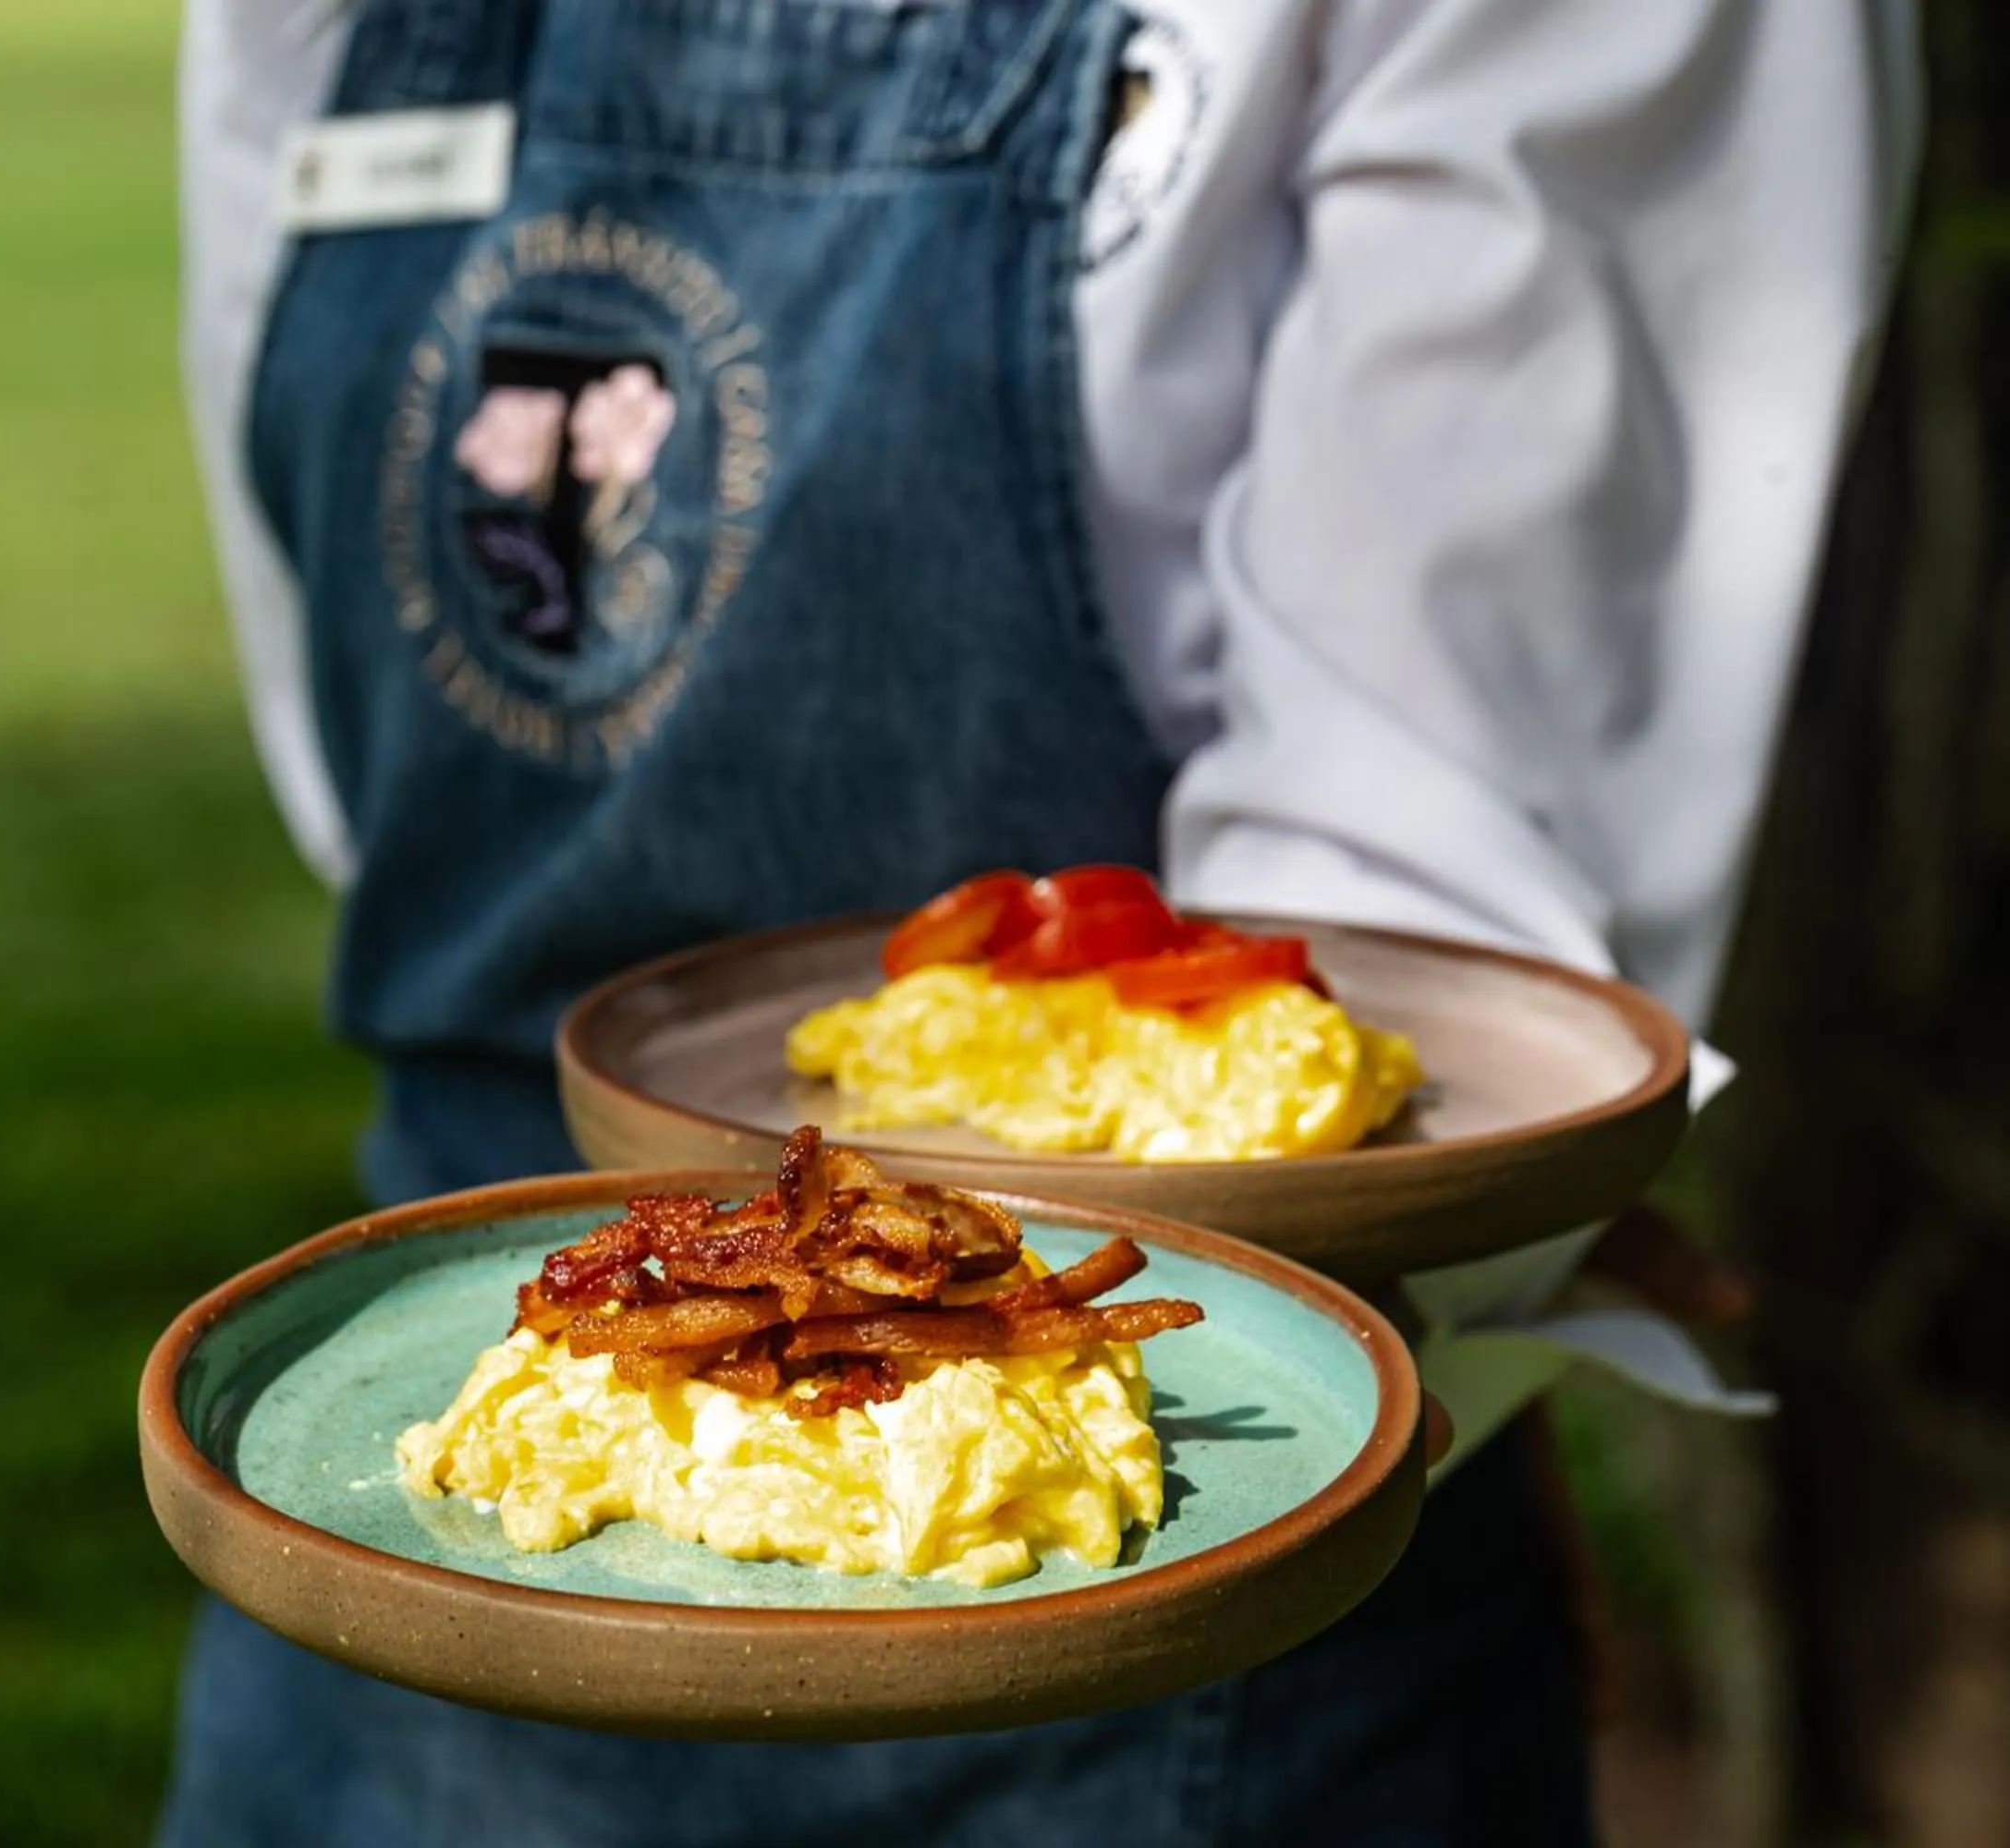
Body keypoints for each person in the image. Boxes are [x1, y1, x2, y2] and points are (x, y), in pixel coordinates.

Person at [164, 1, 1919, 1841]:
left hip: (1164, 1587)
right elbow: (355, 721)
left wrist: (1419, 1284)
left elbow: (1435, 916)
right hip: (387, 1505)